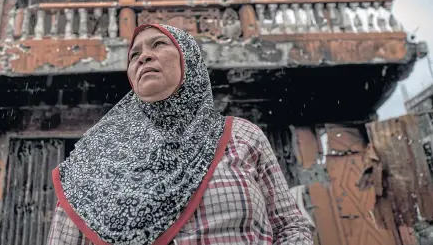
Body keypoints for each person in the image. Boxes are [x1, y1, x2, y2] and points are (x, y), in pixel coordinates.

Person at [48, 24, 314, 245]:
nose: (143, 57)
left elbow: (291, 227)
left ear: (188, 57)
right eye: (134, 55)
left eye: (159, 44)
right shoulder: (97, 155)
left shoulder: (241, 135)